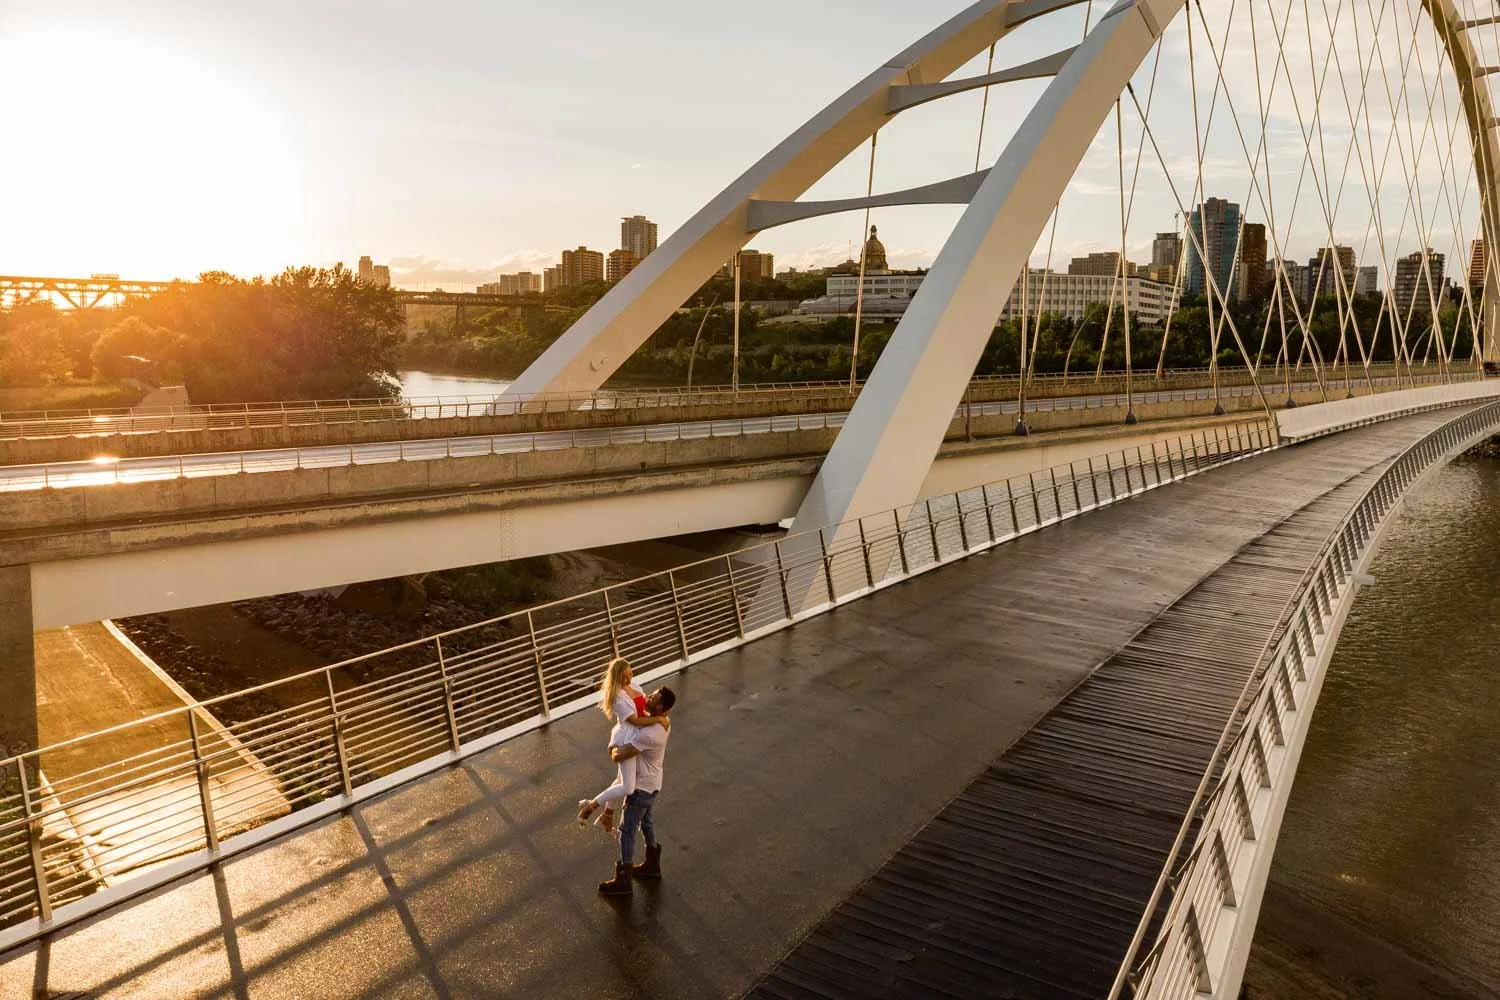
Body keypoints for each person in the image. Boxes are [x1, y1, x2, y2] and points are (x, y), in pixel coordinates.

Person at [598, 686, 676, 896]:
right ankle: (652, 864)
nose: (647, 696)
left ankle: (624, 878)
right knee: (647, 822)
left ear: (660, 706)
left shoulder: (651, 734)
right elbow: (637, 700)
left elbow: (620, 755)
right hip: (653, 784)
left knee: (626, 830)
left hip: (641, 788)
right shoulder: (663, 722)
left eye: (652, 697)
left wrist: (613, 745)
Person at [577, 657, 667, 833]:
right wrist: (658, 719)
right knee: (628, 787)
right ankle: (590, 806)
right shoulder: (617, 696)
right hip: (626, 738)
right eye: (625, 676)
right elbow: (633, 720)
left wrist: (657, 715)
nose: (629, 678)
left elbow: (645, 706)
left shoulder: (635, 686)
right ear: (617, 677)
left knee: (621, 780)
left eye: (631, 673)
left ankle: (607, 815)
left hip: (637, 735)